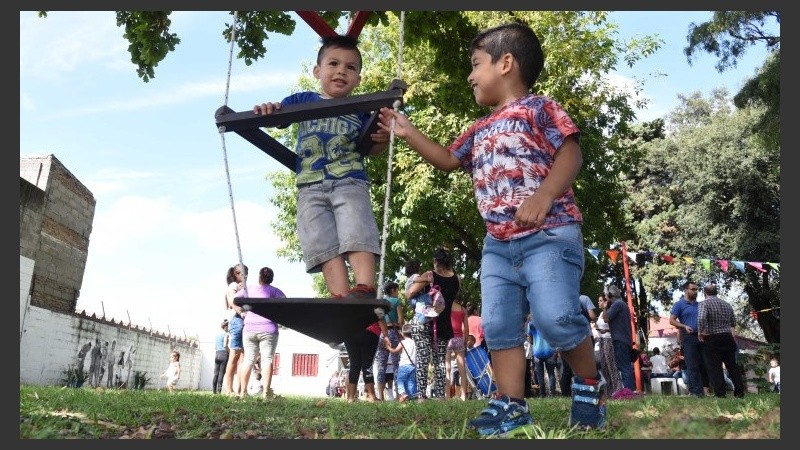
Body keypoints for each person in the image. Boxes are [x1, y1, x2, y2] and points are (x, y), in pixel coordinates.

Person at [378, 22, 605, 434]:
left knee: (555, 318)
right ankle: (510, 404)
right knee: (499, 326)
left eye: (475, 64)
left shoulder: (540, 108)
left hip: (550, 235)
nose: (469, 74)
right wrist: (405, 130)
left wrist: (543, 196)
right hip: (498, 246)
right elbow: (448, 160)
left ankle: (589, 385)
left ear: (506, 63)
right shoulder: (479, 129)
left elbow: (571, 154)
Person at [253, 34, 389, 301]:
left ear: (358, 79)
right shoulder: (304, 100)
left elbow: (372, 147)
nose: (341, 71)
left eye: (350, 67)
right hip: (309, 186)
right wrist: (269, 111)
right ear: (317, 71)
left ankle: (364, 287)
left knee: (356, 229)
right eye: (333, 64)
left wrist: (383, 140)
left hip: (349, 181)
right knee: (322, 243)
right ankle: (340, 296)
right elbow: (278, 118)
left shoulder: (361, 109)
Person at [405, 248, 461, 400]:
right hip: (444, 324)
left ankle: (422, 396)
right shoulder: (457, 279)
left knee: (423, 359)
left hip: (424, 322)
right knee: (440, 362)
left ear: (435, 261)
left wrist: (420, 281)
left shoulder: (430, 275)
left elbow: (409, 293)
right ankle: (441, 395)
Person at [235, 266, 285, 400]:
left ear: (259, 277)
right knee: (267, 360)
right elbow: (285, 305)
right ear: (271, 279)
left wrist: (241, 311)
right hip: (268, 329)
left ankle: (243, 393)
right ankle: (265, 393)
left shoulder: (249, 289)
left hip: (250, 328)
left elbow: (235, 299)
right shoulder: (275, 291)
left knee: (248, 360)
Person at [697, 283, 745, 398]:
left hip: (712, 338)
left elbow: (701, 318)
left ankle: (720, 393)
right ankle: (739, 392)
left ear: (705, 293)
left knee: (715, 368)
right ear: (716, 292)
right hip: (727, 337)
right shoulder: (727, 304)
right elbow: (733, 322)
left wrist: (701, 332)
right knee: (732, 366)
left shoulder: (704, 303)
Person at [670, 280, 706, 397]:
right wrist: (684, 326)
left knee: (704, 364)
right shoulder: (679, 305)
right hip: (688, 337)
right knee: (692, 365)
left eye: (697, 289)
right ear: (686, 290)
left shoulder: (700, 305)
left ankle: (703, 390)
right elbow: (672, 320)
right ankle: (696, 392)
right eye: (693, 289)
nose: (696, 292)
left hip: (702, 337)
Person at [602, 285, 635, 393]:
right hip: (624, 339)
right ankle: (628, 390)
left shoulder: (617, 304)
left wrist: (604, 307)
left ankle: (628, 392)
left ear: (610, 295)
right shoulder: (622, 304)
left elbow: (606, 318)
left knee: (624, 367)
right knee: (625, 366)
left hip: (620, 340)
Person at [374, 281, 403, 401]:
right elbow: (401, 320)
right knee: (396, 364)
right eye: (397, 290)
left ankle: (380, 396)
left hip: (381, 333)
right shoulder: (396, 301)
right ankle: (397, 395)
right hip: (393, 332)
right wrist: (397, 324)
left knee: (381, 365)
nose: (398, 293)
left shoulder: (380, 301)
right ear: (392, 290)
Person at [223, 264, 248, 396]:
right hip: (237, 321)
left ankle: (241, 390)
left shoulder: (244, 288)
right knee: (234, 355)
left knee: (244, 357)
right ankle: (229, 390)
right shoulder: (233, 286)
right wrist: (240, 312)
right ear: (234, 274)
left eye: (244, 274)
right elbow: (232, 301)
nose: (242, 276)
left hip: (245, 322)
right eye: (239, 273)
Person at [445, 293, 470, 400]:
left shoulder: (445, 308)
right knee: (461, 368)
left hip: (448, 338)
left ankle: (447, 395)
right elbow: (467, 329)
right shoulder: (462, 309)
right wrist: (465, 341)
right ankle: (464, 395)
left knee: (447, 367)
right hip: (459, 338)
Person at [386, 323, 419, 402]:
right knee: (411, 382)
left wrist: (388, 347)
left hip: (404, 365)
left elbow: (394, 351)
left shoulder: (403, 342)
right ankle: (412, 396)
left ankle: (403, 393)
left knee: (400, 380)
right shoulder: (415, 342)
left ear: (402, 333)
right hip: (413, 365)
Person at [212, 319, 230, 394]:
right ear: (225, 327)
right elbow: (225, 345)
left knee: (216, 373)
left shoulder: (217, 335)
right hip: (224, 354)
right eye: (228, 326)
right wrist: (230, 351)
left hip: (217, 354)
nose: (228, 328)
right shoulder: (226, 334)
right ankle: (219, 392)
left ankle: (214, 392)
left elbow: (215, 347)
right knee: (221, 373)